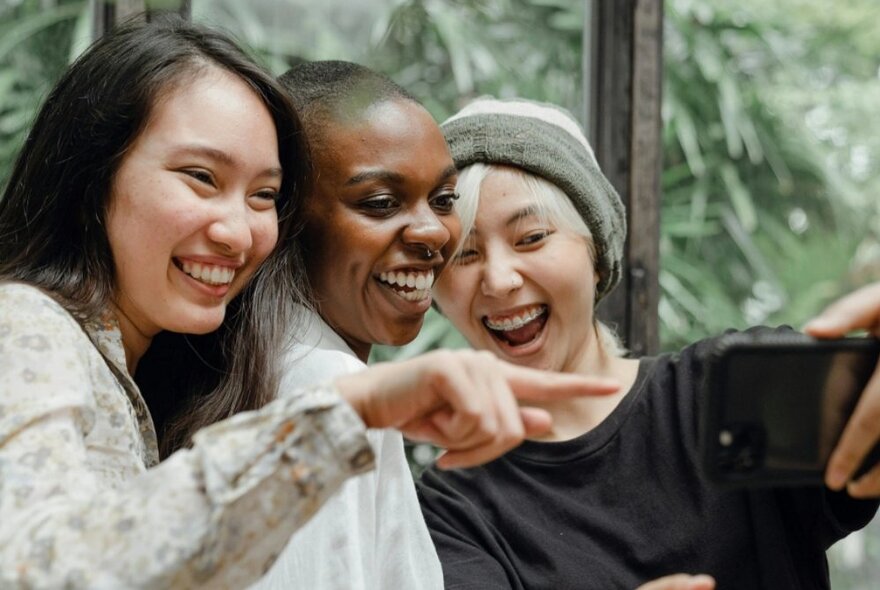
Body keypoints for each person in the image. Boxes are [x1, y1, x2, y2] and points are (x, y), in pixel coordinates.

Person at [0, 20, 619, 588]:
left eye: (264, 194)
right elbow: (42, 569)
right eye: (201, 177)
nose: (237, 231)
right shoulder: (29, 325)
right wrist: (346, 412)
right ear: (93, 173)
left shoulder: (151, 366)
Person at [416, 96, 880, 589]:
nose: (500, 279)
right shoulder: (450, 508)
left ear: (596, 256)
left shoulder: (734, 389)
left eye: (531, 238)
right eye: (463, 255)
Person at [249, 60, 459, 590]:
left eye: (445, 199)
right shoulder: (329, 391)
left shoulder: (280, 368)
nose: (433, 230)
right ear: (288, 219)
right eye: (382, 203)